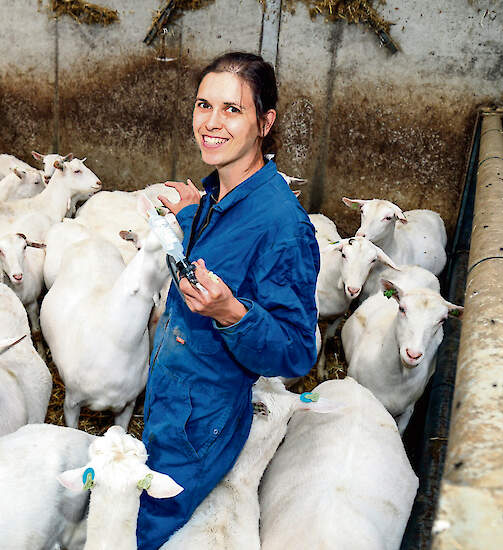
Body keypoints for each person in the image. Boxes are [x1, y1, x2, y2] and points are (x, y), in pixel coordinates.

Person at [136, 52, 320, 548]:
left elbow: (297, 352)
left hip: (202, 420)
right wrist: (195, 214)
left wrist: (232, 314)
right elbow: (223, 255)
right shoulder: (216, 194)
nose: (211, 123)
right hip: (171, 395)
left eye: (232, 110)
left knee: (150, 530)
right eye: (203, 105)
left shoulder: (283, 226)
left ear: (265, 122)